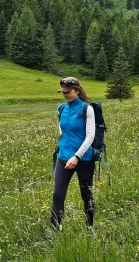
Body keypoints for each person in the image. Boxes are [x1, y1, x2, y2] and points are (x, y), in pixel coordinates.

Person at [50, 77, 95, 230]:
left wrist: (76, 156)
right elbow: (62, 129)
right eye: (63, 92)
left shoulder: (86, 109)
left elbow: (90, 136)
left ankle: (89, 227)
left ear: (76, 90)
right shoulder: (61, 108)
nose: (65, 95)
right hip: (63, 158)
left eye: (68, 92)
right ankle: (55, 229)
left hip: (84, 159)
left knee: (86, 194)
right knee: (58, 194)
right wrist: (63, 146)